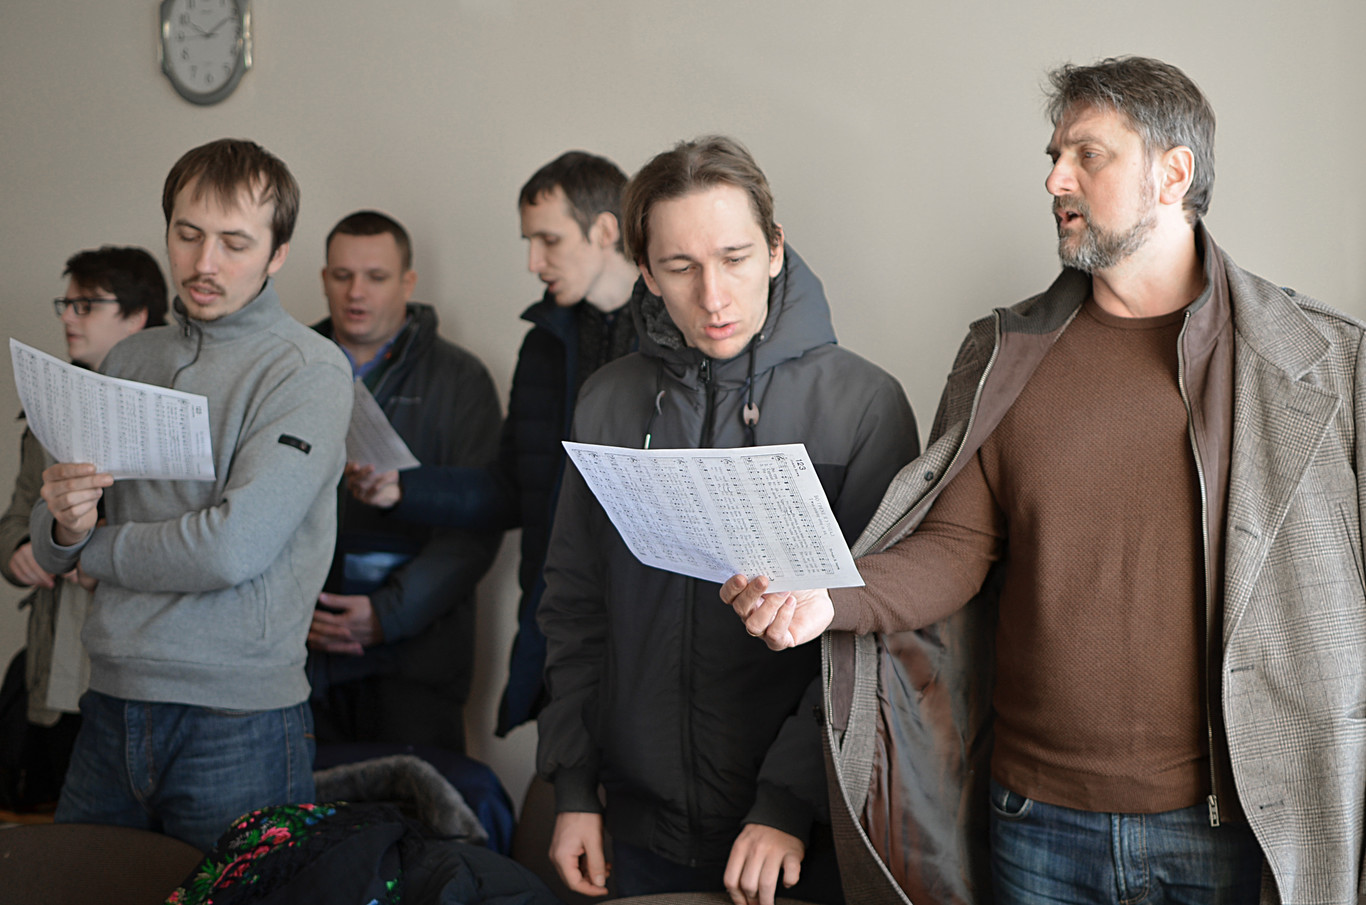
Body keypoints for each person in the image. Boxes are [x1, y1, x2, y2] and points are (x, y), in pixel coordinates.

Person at [725, 56, 1366, 903]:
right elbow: (954, 547)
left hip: (1231, 823)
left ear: (1173, 174)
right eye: (1055, 156)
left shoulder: (1317, 363)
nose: (1056, 179)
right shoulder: (1004, 356)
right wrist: (825, 596)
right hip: (1037, 821)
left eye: (1087, 155)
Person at [536, 136, 919, 905]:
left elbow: (875, 637)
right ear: (646, 272)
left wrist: (789, 800)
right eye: (680, 267)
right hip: (634, 823)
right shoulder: (609, 400)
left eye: (735, 258)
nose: (713, 295)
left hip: (794, 833)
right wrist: (572, 785)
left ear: (775, 249)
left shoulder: (863, 406)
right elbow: (574, 607)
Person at [29, 138, 353, 850]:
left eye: (235, 243)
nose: (205, 263)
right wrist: (64, 526)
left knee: (238, 896)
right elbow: (53, 543)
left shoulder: (308, 369)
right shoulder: (129, 357)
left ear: (277, 253)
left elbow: (231, 548)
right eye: (188, 234)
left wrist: (94, 550)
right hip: (110, 700)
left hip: (239, 718)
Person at [346, 152, 641, 737]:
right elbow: (512, 488)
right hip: (562, 623)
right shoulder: (545, 345)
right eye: (530, 242)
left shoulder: (677, 337)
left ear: (606, 231)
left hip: (648, 628)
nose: (534, 262)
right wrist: (403, 489)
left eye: (549, 240)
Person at [307, 210, 503, 753]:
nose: (356, 292)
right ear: (324, 279)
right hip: (298, 655)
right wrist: (289, 610)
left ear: (407, 282)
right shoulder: (290, 367)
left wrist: (388, 615)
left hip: (416, 663)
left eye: (376, 276)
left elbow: (479, 522)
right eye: (342, 275)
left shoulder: (461, 378)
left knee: (416, 803)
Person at [0, 246, 167, 806]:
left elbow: (192, 538)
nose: (69, 318)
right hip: (57, 663)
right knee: (64, 832)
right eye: (66, 304)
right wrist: (20, 547)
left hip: (140, 668)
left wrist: (95, 558)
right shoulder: (50, 406)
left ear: (137, 315)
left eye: (87, 305)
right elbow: (15, 517)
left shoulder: (171, 409)